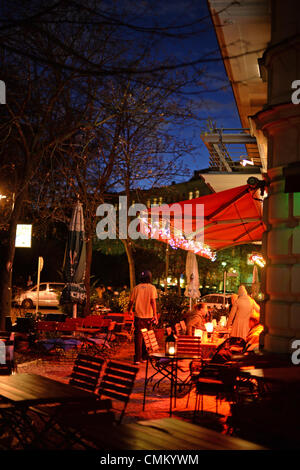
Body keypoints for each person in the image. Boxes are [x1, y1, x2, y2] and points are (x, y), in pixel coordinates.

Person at [128, 270, 158, 364]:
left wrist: (129, 310)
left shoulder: (136, 288)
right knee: (147, 337)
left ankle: (137, 358)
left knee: (138, 337)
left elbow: (131, 302)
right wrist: (155, 315)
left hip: (138, 316)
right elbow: (153, 302)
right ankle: (145, 357)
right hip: (148, 316)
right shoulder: (152, 288)